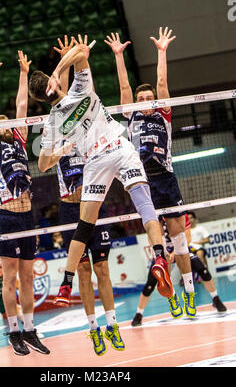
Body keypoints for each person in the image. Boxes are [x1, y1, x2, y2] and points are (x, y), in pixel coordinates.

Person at [29, 34, 174, 321]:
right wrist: (59, 70)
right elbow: (82, 51)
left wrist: (62, 149)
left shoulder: (53, 123)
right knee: (145, 204)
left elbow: (44, 164)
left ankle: (65, 284)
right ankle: (159, 255)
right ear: (52, 84)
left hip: (94, 162)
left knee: (84, 225)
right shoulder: (80, 88)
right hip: (119, 148)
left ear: (37, 99)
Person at [106, 28, 196, 318]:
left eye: (148, 97)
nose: (145, 100)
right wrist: (119, 56)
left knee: (179, 240)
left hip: (167, 179)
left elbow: (161, 82)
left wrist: (161, 51)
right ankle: (169, 292)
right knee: (159, 244)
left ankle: (190, 293)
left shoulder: (163, 114)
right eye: (141, 97)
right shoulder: (131, 116)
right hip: (143, 182)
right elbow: (123, 89)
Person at [53, 36, 124, 354]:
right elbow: (60, 96)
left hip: (94, 203)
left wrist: (73, 59)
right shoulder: (53, 127)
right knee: (82, 270)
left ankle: (112, 325)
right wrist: (62, 68)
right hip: (70, 209)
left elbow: (74, 92)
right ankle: (94, 329)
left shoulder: (85, 120)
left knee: (103, 269)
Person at [0, 51, 49, 356]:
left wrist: (24, 73)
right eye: (2, 124)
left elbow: (21, 105)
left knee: (28, 277)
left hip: (27, 217)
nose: (7, 124)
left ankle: (30, 329)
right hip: (6, 217)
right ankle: (14, 332)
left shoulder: (19, 139)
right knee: (9, 279)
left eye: (9, 123)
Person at [132, 215, 227, 326]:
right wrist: (165, 254)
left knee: (202, 270)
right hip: (164, 253)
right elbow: (152, 240)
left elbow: (187, 238)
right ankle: (139, 314)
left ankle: (216, 299)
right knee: (150, 284)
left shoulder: (179, 212)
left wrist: (174, 253)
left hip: (181, 250)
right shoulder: (154, 215)